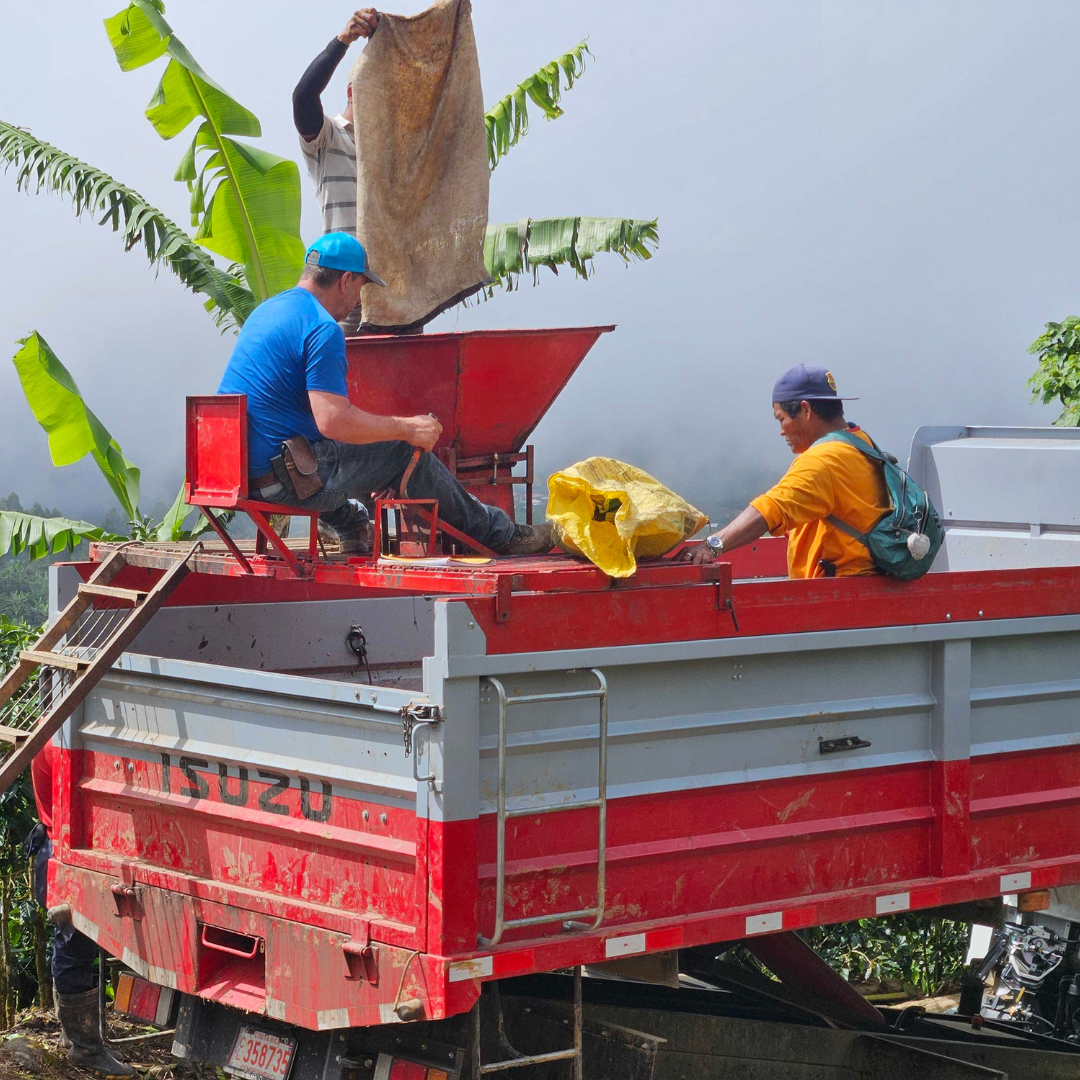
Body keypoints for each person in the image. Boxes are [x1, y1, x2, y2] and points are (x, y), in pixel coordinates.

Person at [217, 232, 553, 557]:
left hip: (242, 474)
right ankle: (502, 536)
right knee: (402, 452)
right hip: (284, 480)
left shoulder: (267, 312)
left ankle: (351, 527)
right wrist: (407, 429)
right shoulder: (321, 327)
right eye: (361, 288)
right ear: (346, 279)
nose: (357, 302)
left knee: (358, 450)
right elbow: (333, 421)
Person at [684, 365, 889, 577]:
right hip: (872, 587)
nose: (781, 431)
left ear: (806, 410)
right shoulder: (863, 443)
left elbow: (769, 510)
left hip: (837, 596)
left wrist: (711, 545)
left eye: (781, 419)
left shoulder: (823, 459)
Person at [27, 743, 135, 1077]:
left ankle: (72, 1036)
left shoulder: (52, 729)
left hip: (55, 844)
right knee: (75, 948)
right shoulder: (62, 739)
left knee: (73, 944)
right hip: (63, 849)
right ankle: (85, 1048)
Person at [293, 9, 379, 333]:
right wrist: (343, 41)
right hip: (342, 295)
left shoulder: (389, 152)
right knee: (341, 380)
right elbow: (303, 97)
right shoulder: (327, 138)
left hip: (391, 297)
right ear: (352, 92)